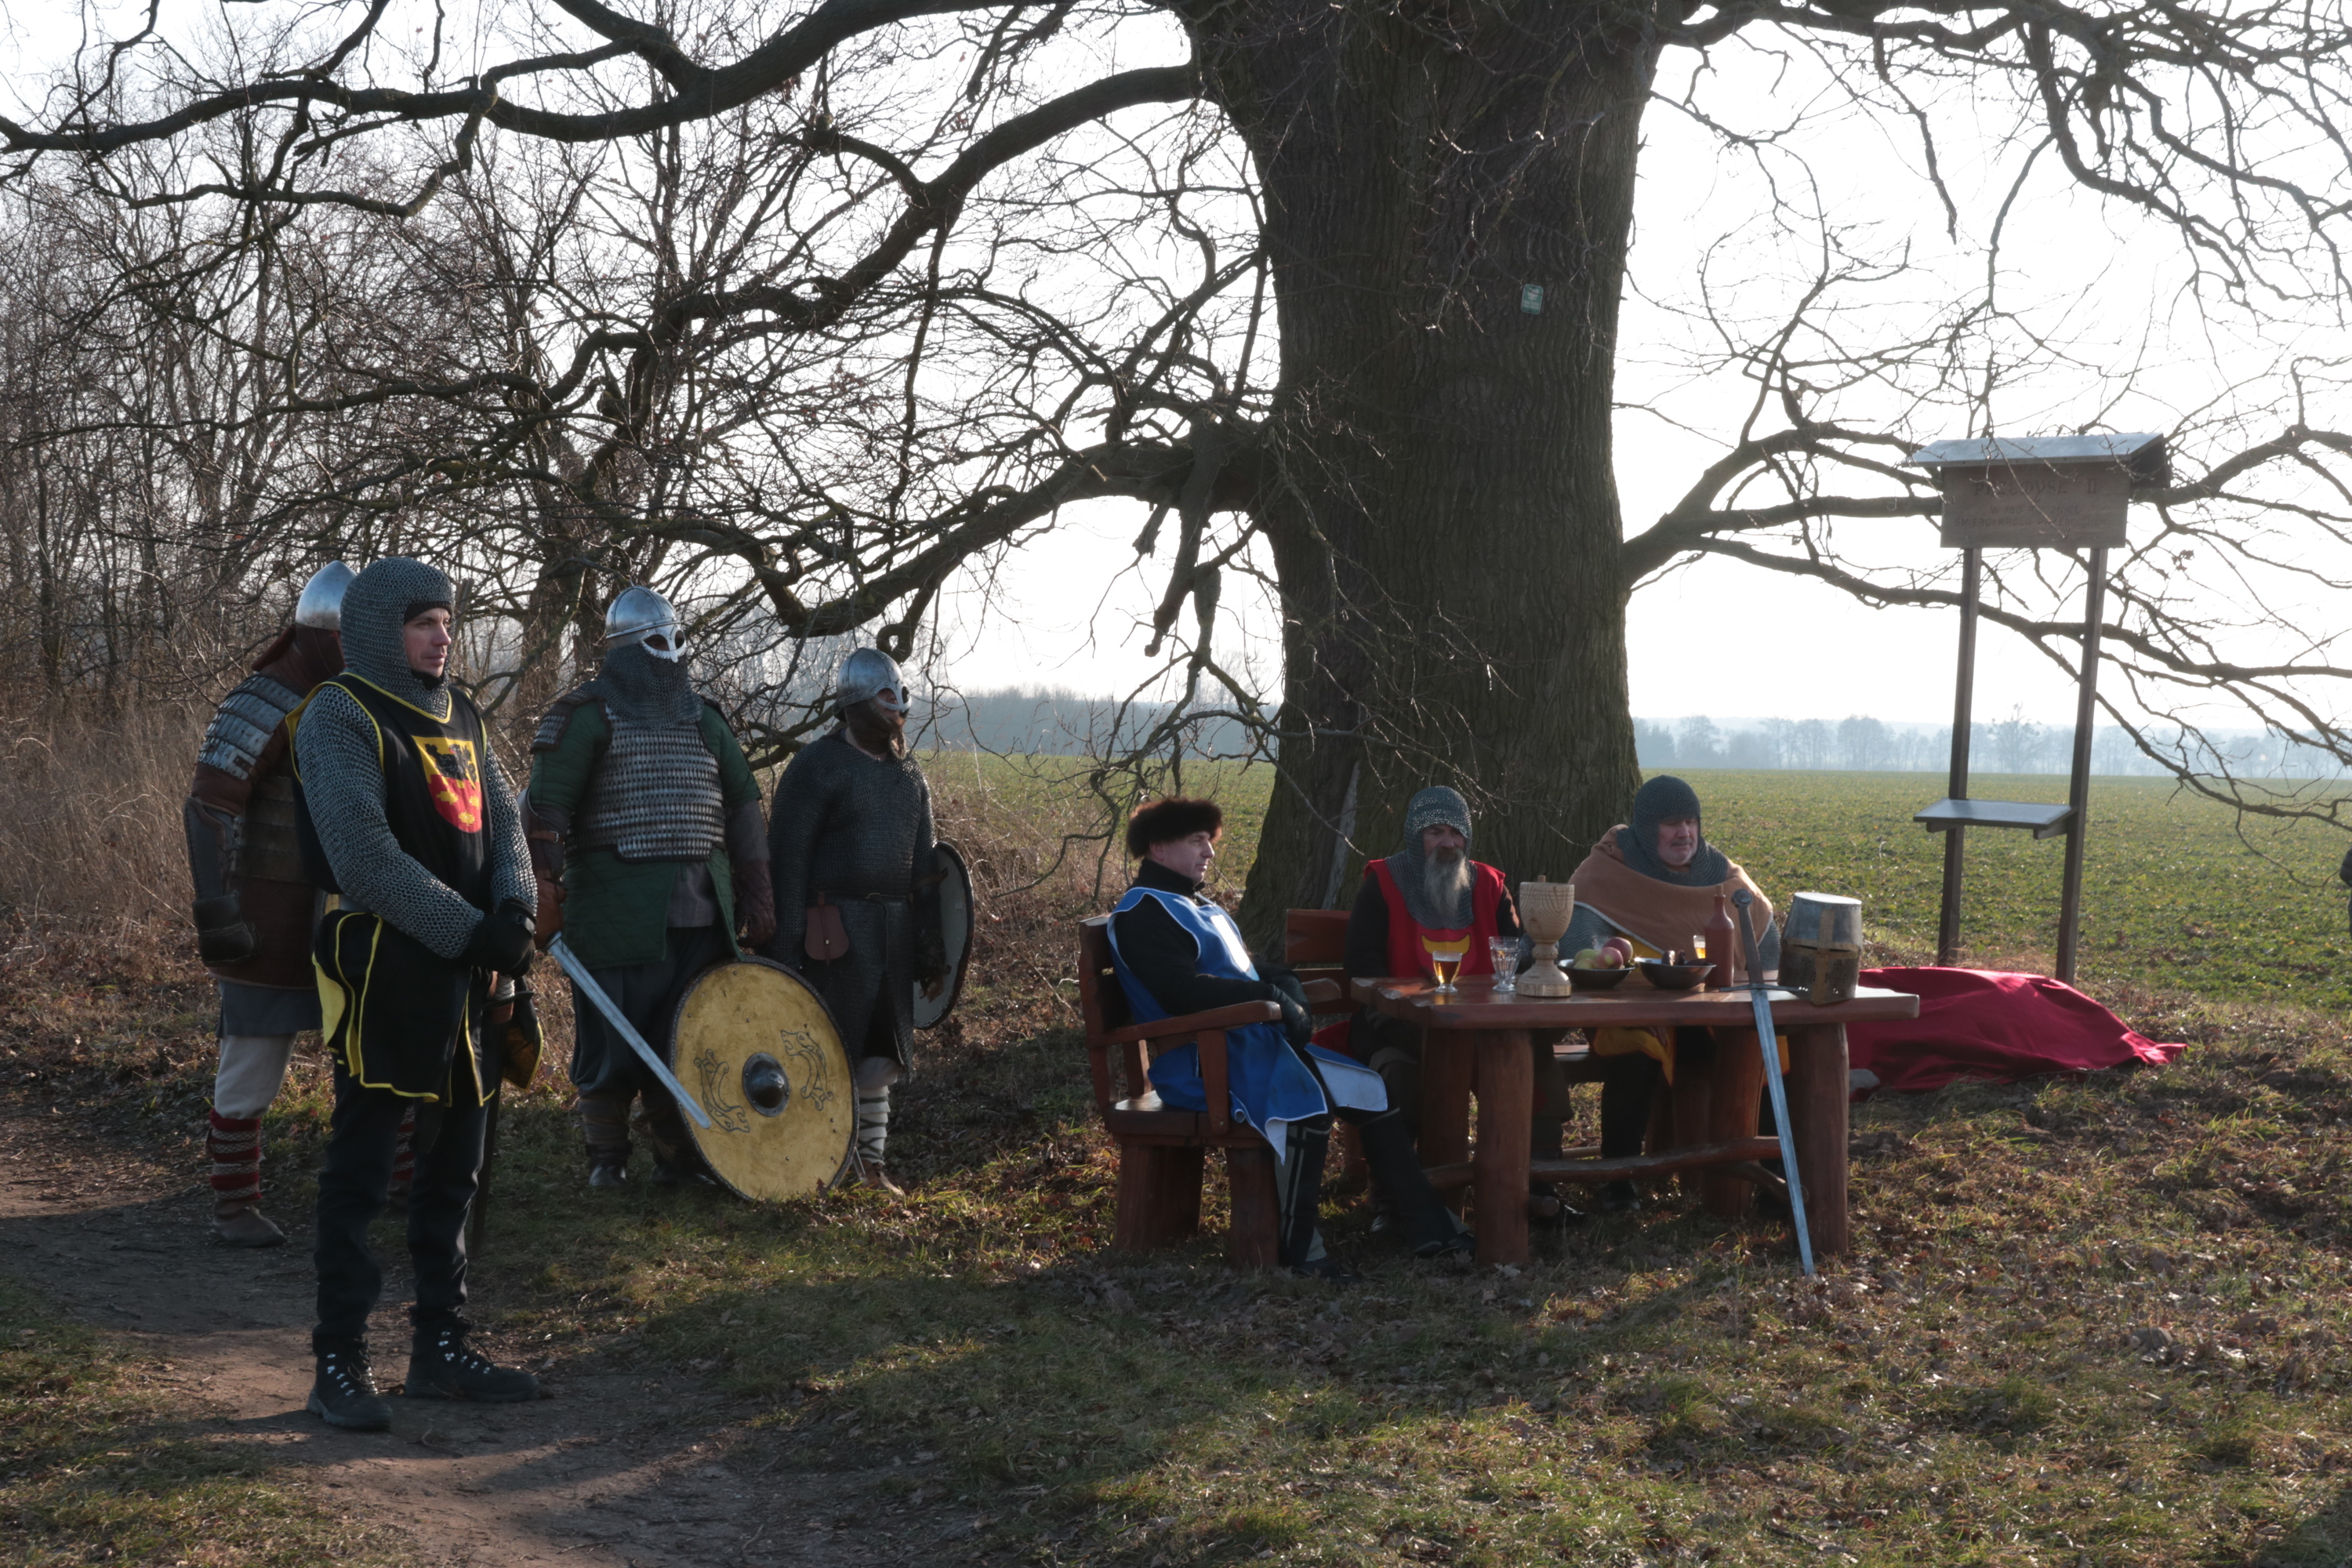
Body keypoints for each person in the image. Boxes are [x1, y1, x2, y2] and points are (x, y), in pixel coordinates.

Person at [289, 557, 541, 1430]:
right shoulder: (341, 713)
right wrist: (471, 930)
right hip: (385, 969)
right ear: (375, 631)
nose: (441, 635)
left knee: (455, 1168)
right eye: (422, 621)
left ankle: (440, 1347)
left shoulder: (462, 711)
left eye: (446, 619)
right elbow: (364, 857)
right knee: (362, 1169)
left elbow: (506, 827)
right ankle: (340, 1360)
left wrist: (515, 906)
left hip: (470, 976)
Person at [1109, 797, 1472, 1276]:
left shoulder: (1194, 904)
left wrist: (1286, 986)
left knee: (1371, 1090)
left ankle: (1426, 1225)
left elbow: (1248, 968)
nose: (1209, 854)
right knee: (1307, 1107)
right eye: (1197, 841)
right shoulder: (1145, 912)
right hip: (1202, 1062)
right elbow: (1179, 991)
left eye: (1208, 842)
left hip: (1250, 1049)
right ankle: (1300, 1248)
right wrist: (1274, 1001)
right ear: (1157, 847)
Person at [527, 585, 775, 1187]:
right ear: (623, 649)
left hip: (703, 912)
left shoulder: (705, 720)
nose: (669, 652)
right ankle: (607, 1163)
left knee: (690, 1038)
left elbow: (744, 808)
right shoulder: (585, 715)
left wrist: (757, 890)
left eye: (675, 639)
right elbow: (546, 810)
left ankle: (680, 1159)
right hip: (615, 913)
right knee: (613, 1041)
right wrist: (543, 886)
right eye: (653, 641)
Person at [183, 562, 352, 1247]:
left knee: (379, 1054)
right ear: (321, 635)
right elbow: (209, 807)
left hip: (354, 915)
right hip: (274, 914)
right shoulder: (269, 696)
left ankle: (395, 1188)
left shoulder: (369, 699)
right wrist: (217, 910)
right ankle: (232, 1207)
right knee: (252, 1062)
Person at [1338, 786, 1577, 1213]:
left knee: (1535, 1061)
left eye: (1455, 833)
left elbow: (1517, 953)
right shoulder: (1385, 884)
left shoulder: (1488, 884)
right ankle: (1394, 1200)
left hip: (1485, 1028)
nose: (1447, 843)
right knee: (1399, 1079)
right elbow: (1361, 970)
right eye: (1435, 832)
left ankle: (1538, 1188)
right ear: (1416, 837)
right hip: (1399, 1027)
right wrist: (1402, 1013)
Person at [763, 648, 946, 1195]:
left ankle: (869, 1165)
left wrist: (930, 948)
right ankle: (814, 1162)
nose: (896, 709)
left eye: (899, 697)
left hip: (890, 929)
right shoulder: (816, 767)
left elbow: (925, 871)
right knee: (821, 1049)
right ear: (855, 703)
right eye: (885, 697)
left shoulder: (909, 776)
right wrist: (785, 946)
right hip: (830, 931)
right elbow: (787, 860)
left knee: (879, 1055)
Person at [1563, 774, 1778, 1211]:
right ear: (1647, 829)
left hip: (1714, 1013)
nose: (1684, 833)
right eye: (1670, 824)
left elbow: (1765, 935)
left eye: (1690, 822)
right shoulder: (1608, 871)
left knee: (1771, 1048)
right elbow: (1579, 941)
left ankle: (1771, 1177)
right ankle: (1619, 1179)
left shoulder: (1722, 875)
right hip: (1632, 1010)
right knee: (1637, 1048)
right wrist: (1604, 956)